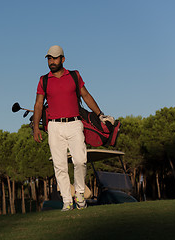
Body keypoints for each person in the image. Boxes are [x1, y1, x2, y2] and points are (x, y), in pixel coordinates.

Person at [33, 45, 113, 211]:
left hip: (75, 124)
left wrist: (100, 115)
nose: (52, 62)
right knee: (60, 165)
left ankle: (80, 194)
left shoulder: (74, 75)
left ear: (63, 59)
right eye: (49, 58)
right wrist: (36, 127)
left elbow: (86, 95)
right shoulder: (44, 80)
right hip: (54, 127)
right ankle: (67, 201)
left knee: (80, 160)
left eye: (55, 58)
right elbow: (39, 104)